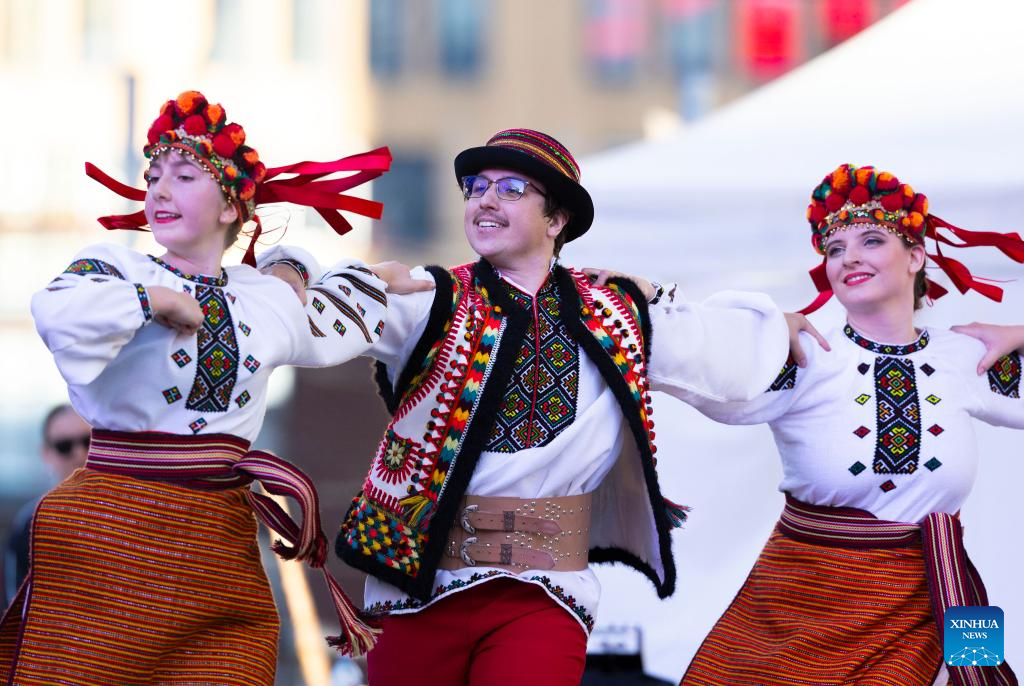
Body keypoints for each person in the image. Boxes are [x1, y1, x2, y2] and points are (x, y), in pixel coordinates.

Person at [261, 128, 810, 686]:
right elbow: (312, 323)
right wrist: (308, 269)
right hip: (418, 589)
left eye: (512, 189)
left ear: (556, 220)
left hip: (543, 593)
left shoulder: (618, 318)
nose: (486, 199)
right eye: (476, 187)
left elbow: (722, 352)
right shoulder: (430, 301)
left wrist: (774, 329)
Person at [0, 90, 418, 685]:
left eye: (185, 175)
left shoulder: (260, 297)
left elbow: (330, 311)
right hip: (112, 529)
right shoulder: (120, 270)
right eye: (153, 176)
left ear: (230, 206)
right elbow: (56, 311)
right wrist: (153, 301)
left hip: (215, 541)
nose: (160, 190)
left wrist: (345, 273)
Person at [668, 164, 1024, 686]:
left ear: (917, 257)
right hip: (798, 602)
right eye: (835, 249)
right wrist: (762, 322)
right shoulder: (803, 352)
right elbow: (695, 363)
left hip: (932, 593)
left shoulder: (965, 357)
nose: (849, 257)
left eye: (872, 240)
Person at [3, 404, 90, 607]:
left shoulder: (134, 511)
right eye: (64, 446)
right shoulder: (30, 523)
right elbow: (16, 610)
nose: (79, 454)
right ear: (46, 454)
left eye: (89, 441)